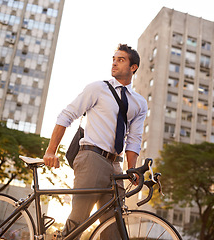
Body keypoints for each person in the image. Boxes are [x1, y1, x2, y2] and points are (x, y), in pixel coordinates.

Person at [43, 44, 148, 239]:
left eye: (121, 59)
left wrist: (131, 168)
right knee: (79, 220)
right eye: (114, 59)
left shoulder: (139, 102)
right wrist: (51, 151)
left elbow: (134, 138)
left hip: (115, 165)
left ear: (133, 67)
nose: (114, 62)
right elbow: (67, 115)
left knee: (114, 227)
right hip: (92, 157)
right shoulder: (98, 88)